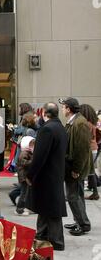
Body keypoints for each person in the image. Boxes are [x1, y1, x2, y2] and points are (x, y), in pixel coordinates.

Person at [26, 103, 68, 250]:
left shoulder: (47, 129)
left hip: (46, 176)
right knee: (46, 207)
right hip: (55, 173)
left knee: (51, 209)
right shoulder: (60, 128)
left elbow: (39, 156)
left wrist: (30, 174)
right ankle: (42, 235)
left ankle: (56, 241)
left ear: (44, 112)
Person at [59, 98, 93, 236]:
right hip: (72, 165)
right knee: (77, 195)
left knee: (73, 196)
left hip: (75, 166)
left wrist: (76, 170)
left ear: (68, 109)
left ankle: (83, 224)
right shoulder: (74, 121)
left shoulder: (80, 123)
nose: (62, 109)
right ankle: (79, 221)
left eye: (63, 107)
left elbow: (82, 149)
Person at [79, 104, 100, 200]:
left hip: (89, 149)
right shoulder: (92, 122)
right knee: (91, 172)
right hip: (93, 148)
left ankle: (81, 193)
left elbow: (84, 138)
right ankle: (95, 193)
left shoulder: (86, 124)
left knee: (84, 171)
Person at [15, 136, 35, 216]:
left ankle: (28, 207)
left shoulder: (28, 152)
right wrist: (32, 161)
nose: (32, 146)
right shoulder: (24, 153)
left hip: (26, 176)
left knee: (26, 193)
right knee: (24, 193)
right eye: (30, 144)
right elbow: (23, 163)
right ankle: (19, 209)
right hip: (24, 177)